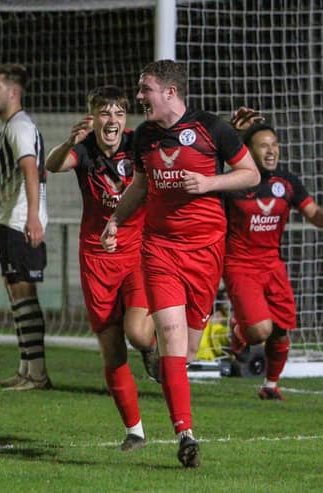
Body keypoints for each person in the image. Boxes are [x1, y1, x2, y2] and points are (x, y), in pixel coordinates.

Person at [100, 60, 260, 467]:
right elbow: (139, 185)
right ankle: (185, 434)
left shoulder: (213, 129)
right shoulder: (145, 138)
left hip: (206, 252)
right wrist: (116, 220)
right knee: (171, 336)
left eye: (145, 89)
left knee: (185, 349)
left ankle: (157, 358)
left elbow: (250, 174)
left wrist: (210, 184)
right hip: (160, 250)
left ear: (170, 92)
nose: (139, 97)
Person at [46, 86, 158, 452]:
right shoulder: (83, 149)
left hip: (137, 253)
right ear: (93, 117)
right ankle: (135, 430)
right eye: (104, 113)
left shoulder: (139, 143)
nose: (112, 121)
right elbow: (53, 164)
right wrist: (68, 142)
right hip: (96, 258)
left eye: (119, 113)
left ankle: (151, 347)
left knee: (138, 333)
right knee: (112, 351)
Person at [225, 107, 323, 400]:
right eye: (264, 145)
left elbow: (314, 214)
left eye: (275, 145)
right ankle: (239, 331)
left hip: (273, 265)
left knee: (280, 329)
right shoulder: (233, 183)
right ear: (249, 151)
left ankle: (270, 385)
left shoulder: (286, 182)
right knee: (260, 331)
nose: (271, 151)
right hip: (240, 264)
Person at [0, 64, 51, 391]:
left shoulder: (20, 127)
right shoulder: (9, 128)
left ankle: (37, 373)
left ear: (13, 92)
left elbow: (31, 171)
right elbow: (1, 185)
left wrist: (34, 217)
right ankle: (27, 370)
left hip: (22, 222)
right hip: (9, 222)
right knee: (16, 294)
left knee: (25, 294)